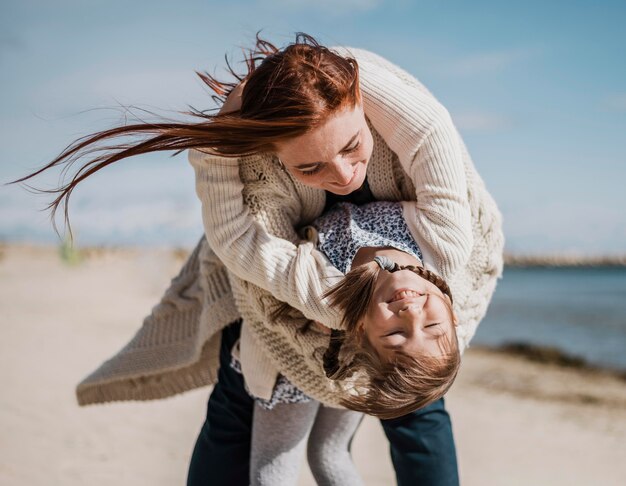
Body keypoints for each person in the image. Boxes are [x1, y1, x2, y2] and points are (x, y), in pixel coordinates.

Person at [13, 33, 504, 485]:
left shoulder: (401, 275)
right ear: (275, 154)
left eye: (354, 147)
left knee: (415, 398)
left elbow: (428, 130)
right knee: (240, 396)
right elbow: (235, 234)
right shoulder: (411, 252)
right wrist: (312, 86)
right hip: (277, 269)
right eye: (311, 166)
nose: (344, 175)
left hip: (337, 287)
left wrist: (262, 103)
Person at [242, 199, 462, 485]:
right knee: (328, 453)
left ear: (359, 332)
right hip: (350, 370)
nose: (411, 316)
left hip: (296, 370)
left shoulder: (327, 294)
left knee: (277, 462)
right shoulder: (429, 263)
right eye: (432, 325)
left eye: (397, 334)